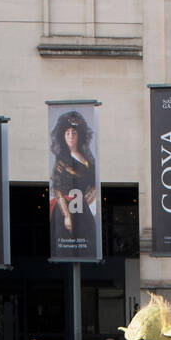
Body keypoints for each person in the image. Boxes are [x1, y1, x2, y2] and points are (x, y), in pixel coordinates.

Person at [50, 110, 98, 260]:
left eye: (74, 132)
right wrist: (67, 216)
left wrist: (94, 192)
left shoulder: (87, 157)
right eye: (68, 133)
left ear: (80, 135)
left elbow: (93, 181)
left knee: (89, 244)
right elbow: (57, 190)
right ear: (62, 136)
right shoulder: (61, 161)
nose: (71, 136)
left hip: (82, 207)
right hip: (66, 209)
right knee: (69, 250)